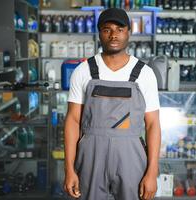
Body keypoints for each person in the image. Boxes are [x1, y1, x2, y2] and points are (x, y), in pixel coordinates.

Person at [64, 7, 161, 200]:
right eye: (107, 29)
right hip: (91, 156)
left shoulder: (144, 73)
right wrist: (69, 169)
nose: (113, 35)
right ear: (100, 33)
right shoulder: (83, 71)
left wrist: (152, 172)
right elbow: (73, 121)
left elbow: (153, 125)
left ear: (128, 33)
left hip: (131, 156)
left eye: (119, 29)